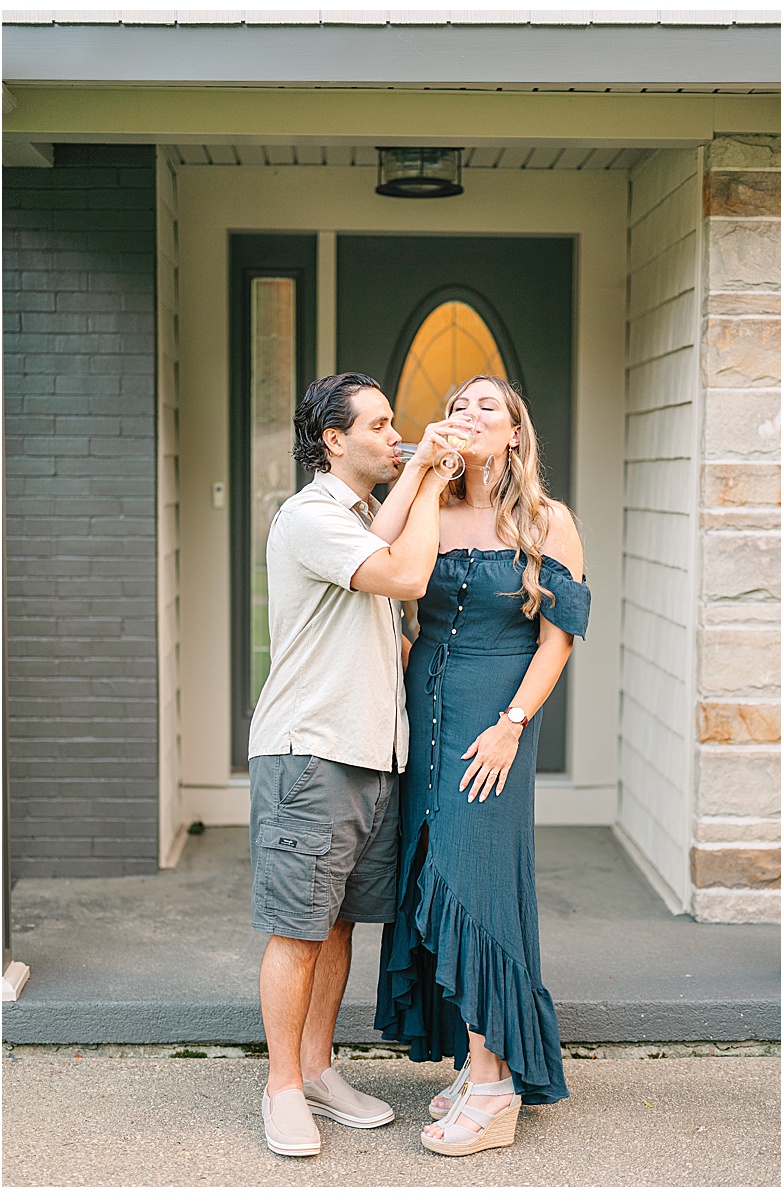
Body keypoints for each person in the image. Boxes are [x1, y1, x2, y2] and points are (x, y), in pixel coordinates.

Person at [248, 371, 470, 1157]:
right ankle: (280, 1088)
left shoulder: (372, 515)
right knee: (297, 928)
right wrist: (430, 474)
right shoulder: (310, 516)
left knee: (339, 921)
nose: (394, 434)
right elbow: (407, 576)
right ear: (334, 439)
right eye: (378, 425)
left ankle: (316, 1068)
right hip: (312, 750)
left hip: (374, 753)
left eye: (394, 423)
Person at [374, 374, 589, 1157]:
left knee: (476, 879)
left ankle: (497, 1084)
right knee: (434, 873)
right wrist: (421, 475)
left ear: (514, 433)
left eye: (485, 406)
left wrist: (512, 725)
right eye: (458, 405)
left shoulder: (547, 521)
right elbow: (393, 591)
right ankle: (478, 1057)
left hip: (495, 720)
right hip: (422, 712)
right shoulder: (431, 502)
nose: (467, 414)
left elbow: (558, 638)